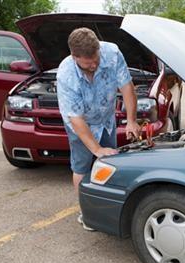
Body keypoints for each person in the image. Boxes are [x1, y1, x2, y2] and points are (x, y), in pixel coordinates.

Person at [57, 28, 141, 230]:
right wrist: (96, 149)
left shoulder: (111, 53)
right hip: (81, 126)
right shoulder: (66, 74)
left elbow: (127, 86)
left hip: (106, 120)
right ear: (74, 56)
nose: (94, 65)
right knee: (82, 167)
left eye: (96, 59)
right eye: (88, 63)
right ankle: (87, 214)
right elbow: (76, 119)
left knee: (109, 163)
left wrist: (131, 120)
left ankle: (108, 209)